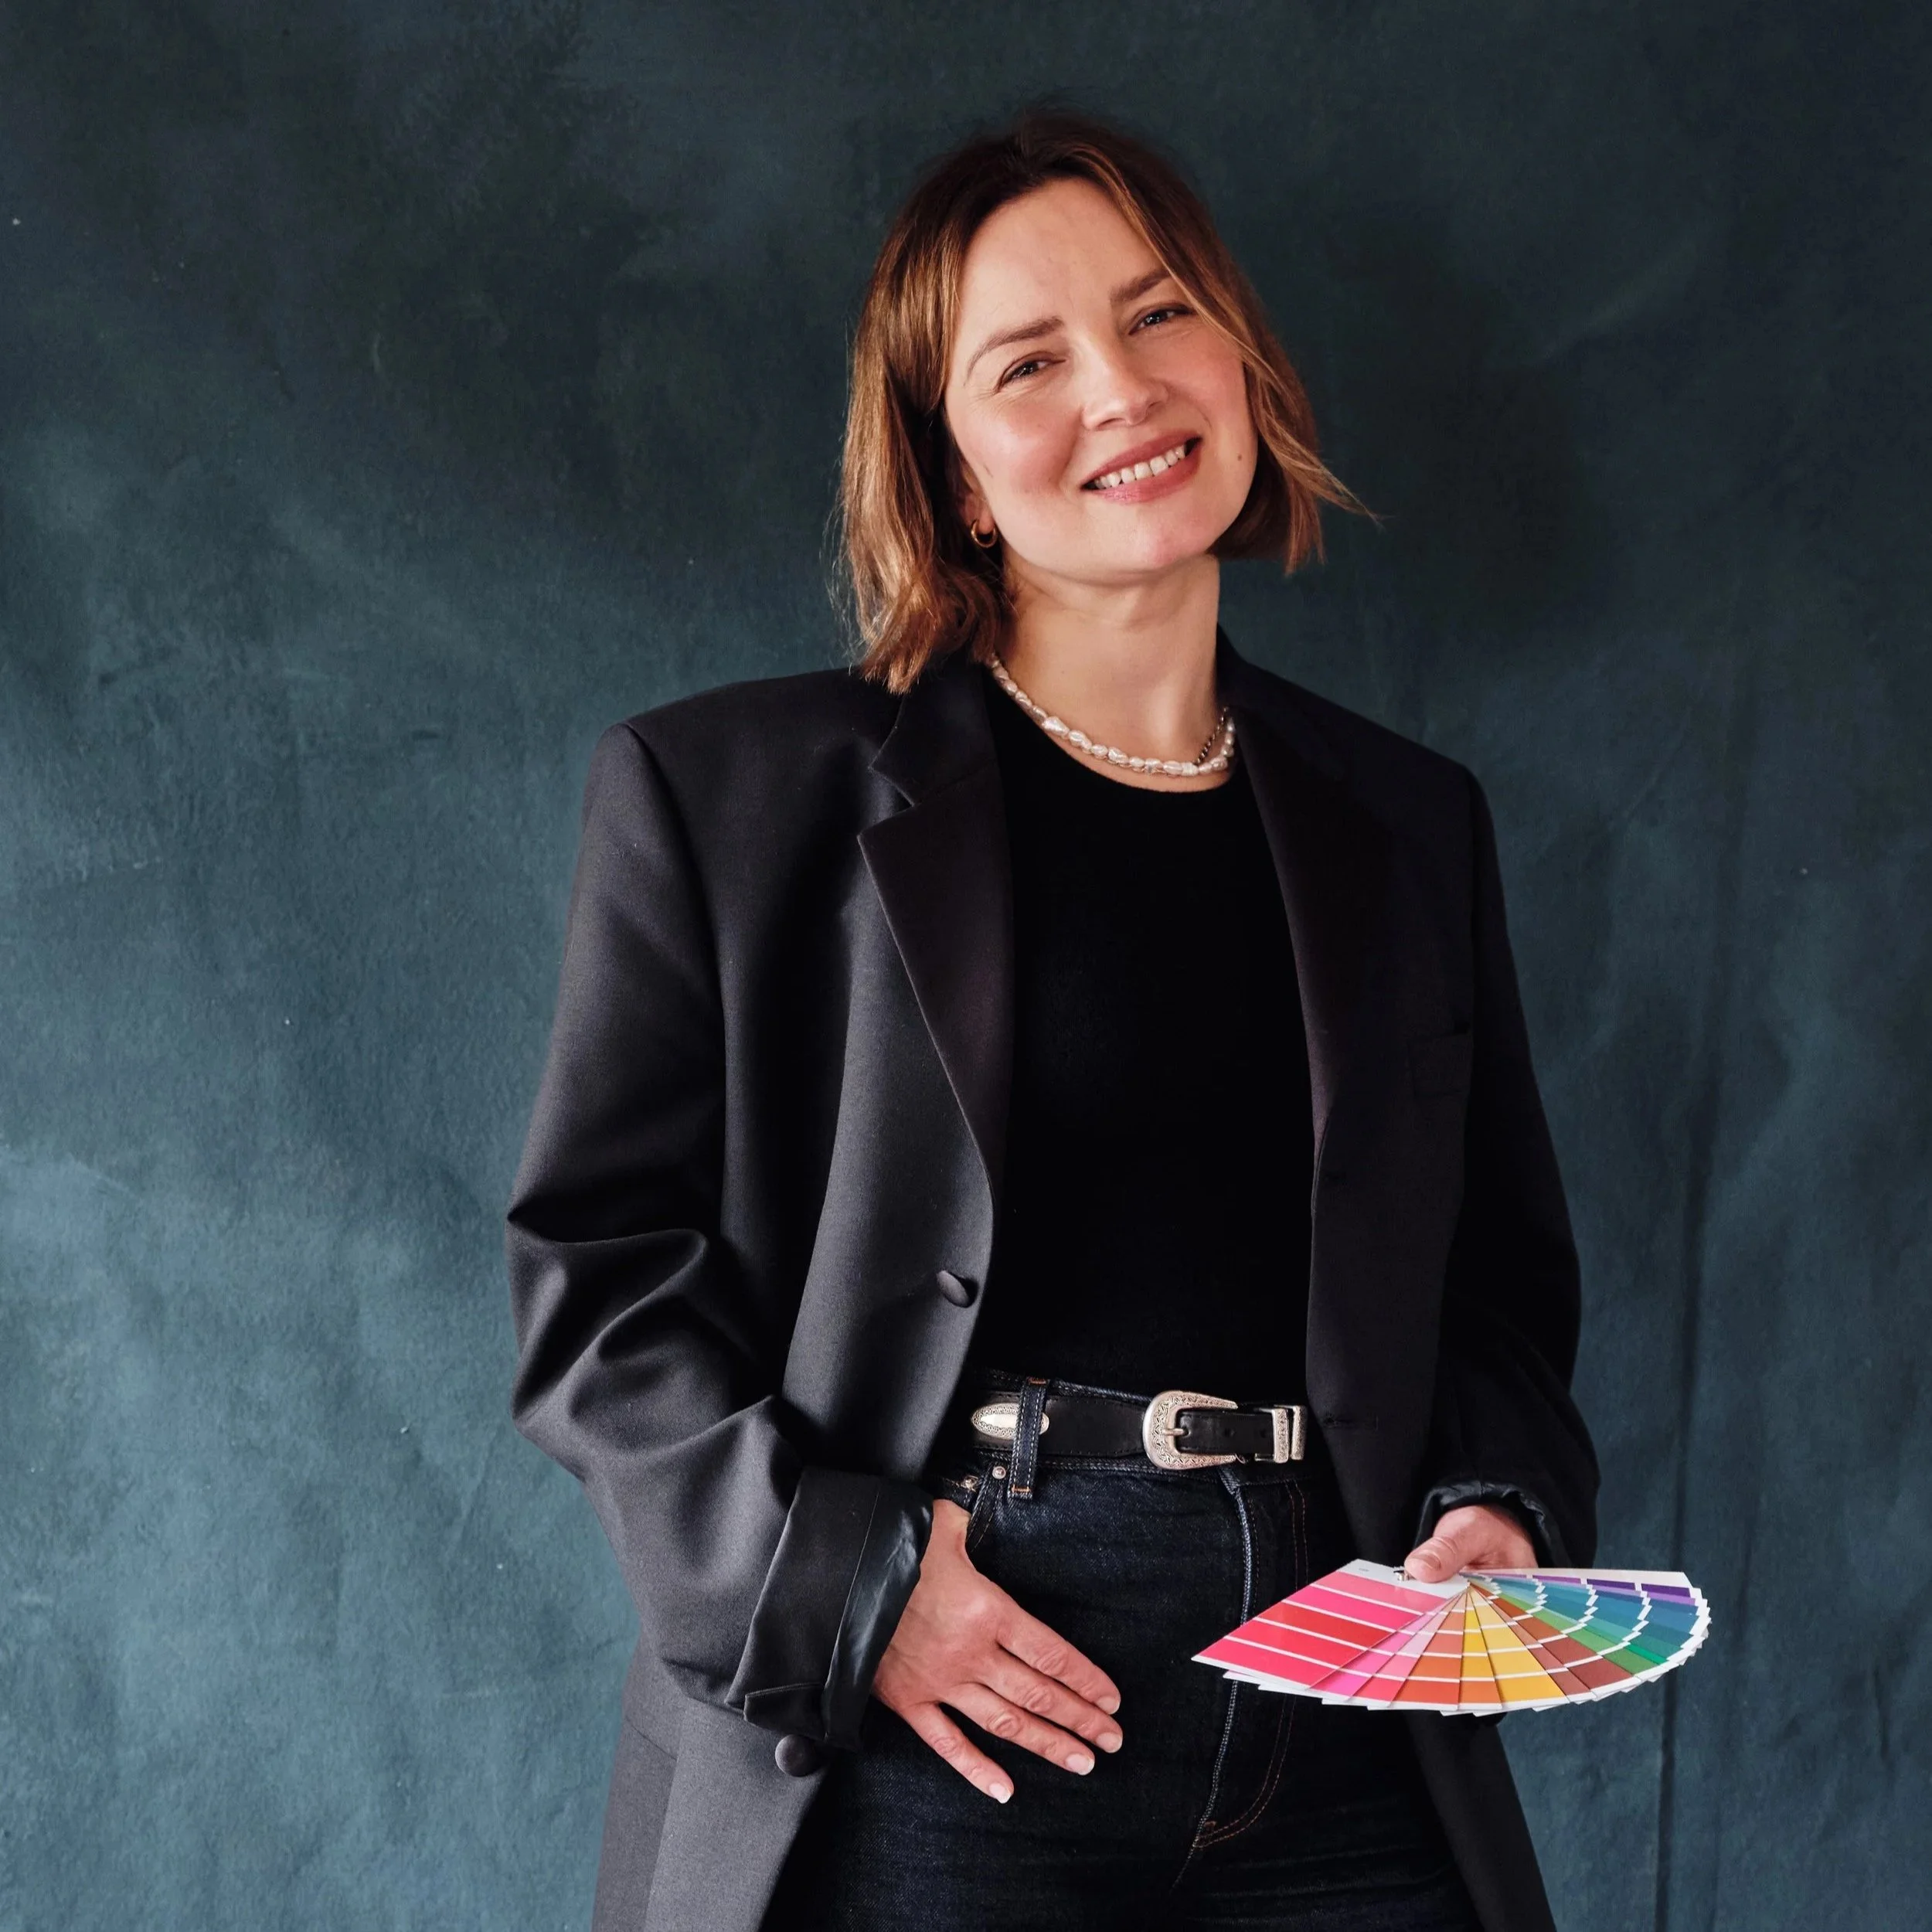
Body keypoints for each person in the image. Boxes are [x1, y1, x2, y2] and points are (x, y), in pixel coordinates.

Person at [506, 110, 1598, 1932]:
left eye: (1159, 314)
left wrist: (1490, 1509)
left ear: (1237, 358)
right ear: (948, 476)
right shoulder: (728, 795)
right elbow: (596, 1289)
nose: (1122, 387)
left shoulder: (1410, 822)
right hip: (947, 1699)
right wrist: (853, 1592)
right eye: (1029, 361)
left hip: (1344, 1705)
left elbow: (1492, 1283)